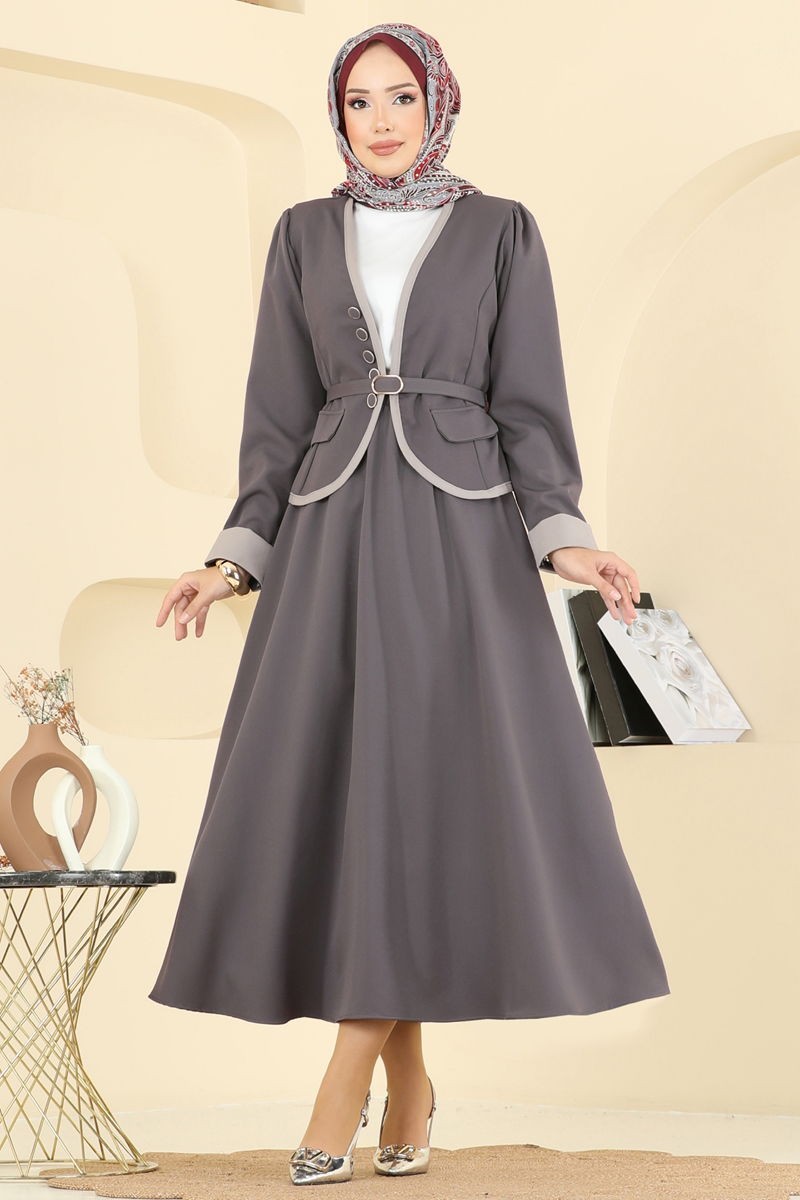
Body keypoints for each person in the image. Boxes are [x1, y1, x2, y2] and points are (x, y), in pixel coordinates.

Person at [148, 21, 670, 1187]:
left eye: (398, 97)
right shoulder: (300, 233)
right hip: (328, 536)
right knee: (356, 804)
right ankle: (411, 1090)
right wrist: (229, 561)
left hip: (461, 536)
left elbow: (529, 403)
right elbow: (275, 417)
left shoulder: (500, 229)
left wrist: (567, 542)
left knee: (434, 794)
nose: (378, 120)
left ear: (438, 104)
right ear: (336, 117)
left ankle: (342, 1088)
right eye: (357, 102)